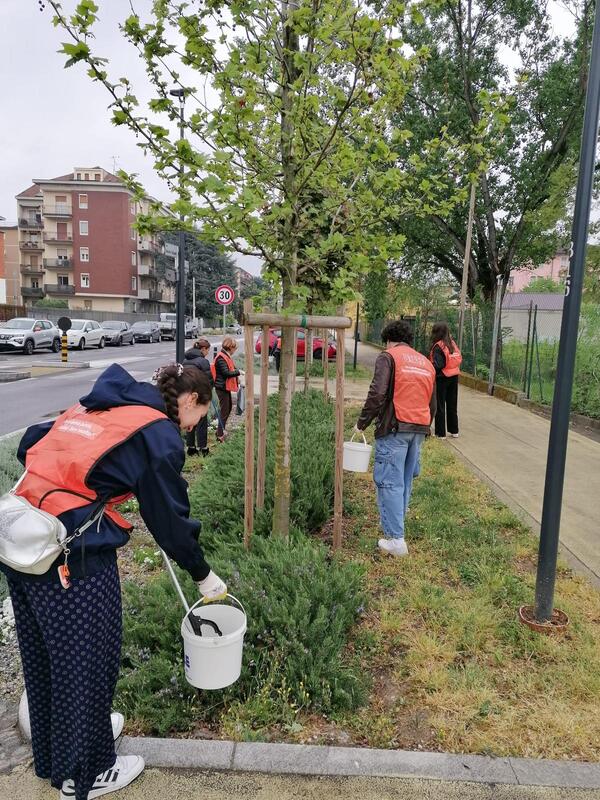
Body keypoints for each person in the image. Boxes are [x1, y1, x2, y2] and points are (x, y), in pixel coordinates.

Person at [1, 363, 228, 800]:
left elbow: (33, 444)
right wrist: (203, 574)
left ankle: (59, 754)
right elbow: (170, 521)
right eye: (202, 414)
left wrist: (91, 492)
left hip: (22, 537)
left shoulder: (102, 405)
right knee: (88, 662)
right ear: (190, 401)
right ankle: (88, 773)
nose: (197, 425)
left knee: (50, 661)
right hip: (71, 559)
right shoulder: (157, 433)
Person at [356, 320, 436, 557]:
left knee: (389, 482)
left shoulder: (389, 356)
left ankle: (396, 539)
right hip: (419, 428)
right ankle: (397, 531)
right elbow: (433, 402)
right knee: (404, 481)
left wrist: (363, 422)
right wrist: (425, 426)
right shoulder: (425, 362)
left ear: (388, 340)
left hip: (394, 428)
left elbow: (377, 392)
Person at [429, 322, 462, 439]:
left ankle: (440, 433)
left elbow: (439, 365)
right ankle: (454, 431)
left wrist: (430, 366)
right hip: (454, 376)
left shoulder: (439, 346)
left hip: (442, 378)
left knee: (440, 405)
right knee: (452, 404)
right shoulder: (452, 343)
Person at [184, 338, 213, 457]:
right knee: (201, 421)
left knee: (190, 419)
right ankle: (203, 448)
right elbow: (208, 380)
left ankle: (191, 447)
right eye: (208, 350)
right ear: (203, 349)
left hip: (187, 394)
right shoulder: (203, 361)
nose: (208, 353)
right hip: (200, 394)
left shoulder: (185, 360)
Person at [211, 336, 242, 443]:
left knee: (228, 409)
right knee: (225, 410)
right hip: (222, 387)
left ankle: (220, 431)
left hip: (224, 387)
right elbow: (226, 373)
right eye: (235, 348)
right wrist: (238, 372)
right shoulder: (221, 357)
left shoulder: (225, 356)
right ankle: (219, 434)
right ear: (230, 347)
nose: (235, 351)